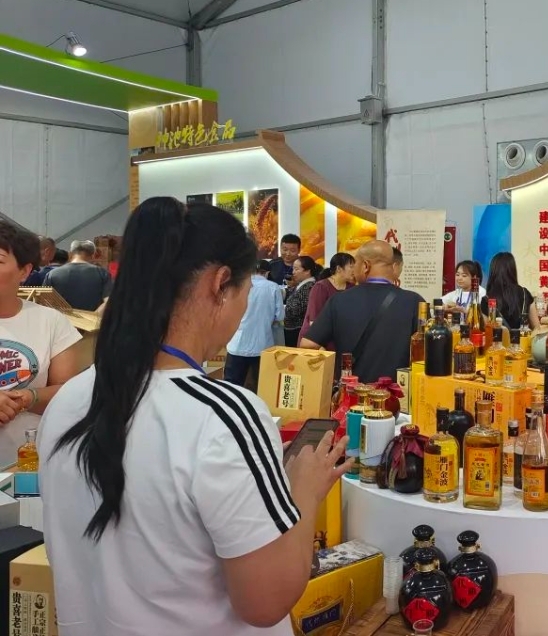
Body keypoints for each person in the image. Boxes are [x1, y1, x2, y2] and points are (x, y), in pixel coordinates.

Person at [37, 198, 351, 634]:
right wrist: (305, 490)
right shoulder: (225, 415)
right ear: (221, 284)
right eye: (245, 291)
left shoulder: (68, 402)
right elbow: (265, 602)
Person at [0, 223, 81, 467]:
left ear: (24, 271)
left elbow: (68, 391)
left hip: (27, 461)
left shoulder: (50, 321)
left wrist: (28, 397)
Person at [301, 241, 423, 381]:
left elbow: (308, 345)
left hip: (351, 390)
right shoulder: (415, 302)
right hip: (397, 392)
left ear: (365, 266)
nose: (353, 270)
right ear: (393, 266)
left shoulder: (339, 300)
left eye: (355, 264)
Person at [224, 260, 284, 390]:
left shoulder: (237, 285)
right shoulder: (273, 287)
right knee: (261, 387)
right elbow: (280, 316)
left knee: (232, 386)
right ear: (267, 273)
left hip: (237, 345)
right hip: (262, 346)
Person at [299, 253, 355, 346]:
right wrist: (319, 346)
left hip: (339, 338)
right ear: (339, 269)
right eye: (351, 267)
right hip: (316, 340)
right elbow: (314, 321)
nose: (354, 270)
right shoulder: (321, 287)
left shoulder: (352, 288)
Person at [43, 240, 112, 311]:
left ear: (70, 254)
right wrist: (93, 315)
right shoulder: (102, 273)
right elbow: (109, 301)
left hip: (60, 317)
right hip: (90, 317)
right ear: (93, 255)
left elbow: (44, 301)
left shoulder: (52, 274)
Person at [481, 252, 537, 330]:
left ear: (493, 272)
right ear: (513, 270)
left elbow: (486, 329)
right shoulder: (525, 294)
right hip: (522, 338)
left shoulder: (486, 299)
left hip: (496, 338)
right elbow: (536, 328)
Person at [283, 256, 320, 347]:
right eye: (293, 269)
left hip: (298, 331)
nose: (293, 272)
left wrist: (284, 309)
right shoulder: (301, 285)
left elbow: (298, 309)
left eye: (296, 269)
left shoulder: (310, 287)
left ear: (307, 271)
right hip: (292, 330)